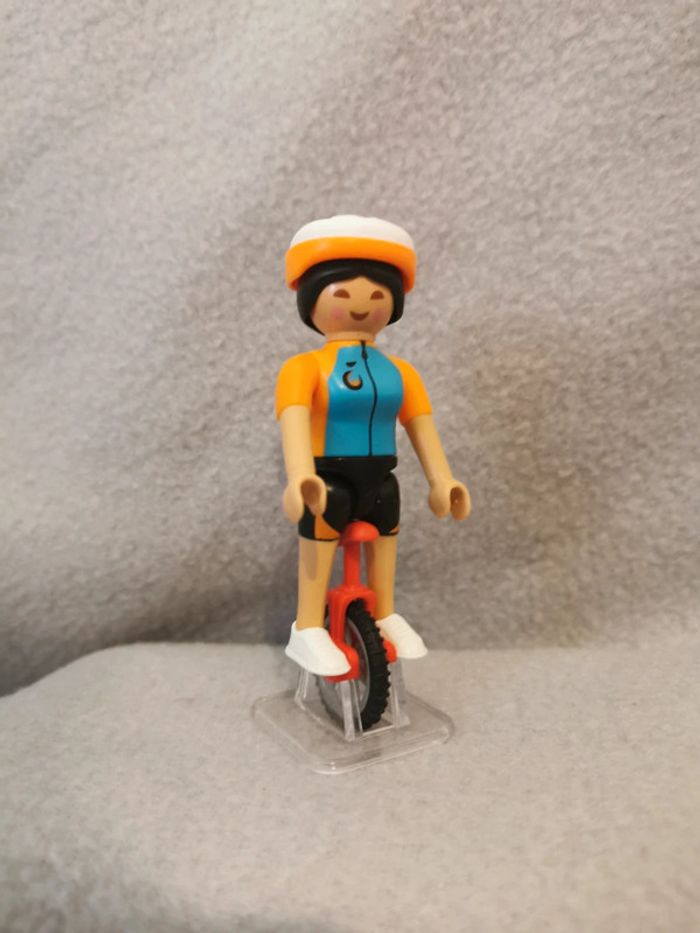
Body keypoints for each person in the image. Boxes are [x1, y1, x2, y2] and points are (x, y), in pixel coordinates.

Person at [276, 214, 470, 675]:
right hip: (328, 475)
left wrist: (442, 481)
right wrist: (300, 476)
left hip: (381, 474)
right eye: (342, 295)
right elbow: (294, 422)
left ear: (394, 304)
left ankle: (385, 612)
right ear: (311, 299)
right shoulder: (303, 369)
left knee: (387, 511)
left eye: (378, 297)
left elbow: (421, 427)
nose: (362, 307)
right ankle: (308, 626)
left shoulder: (400, 372)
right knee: (326, 516)